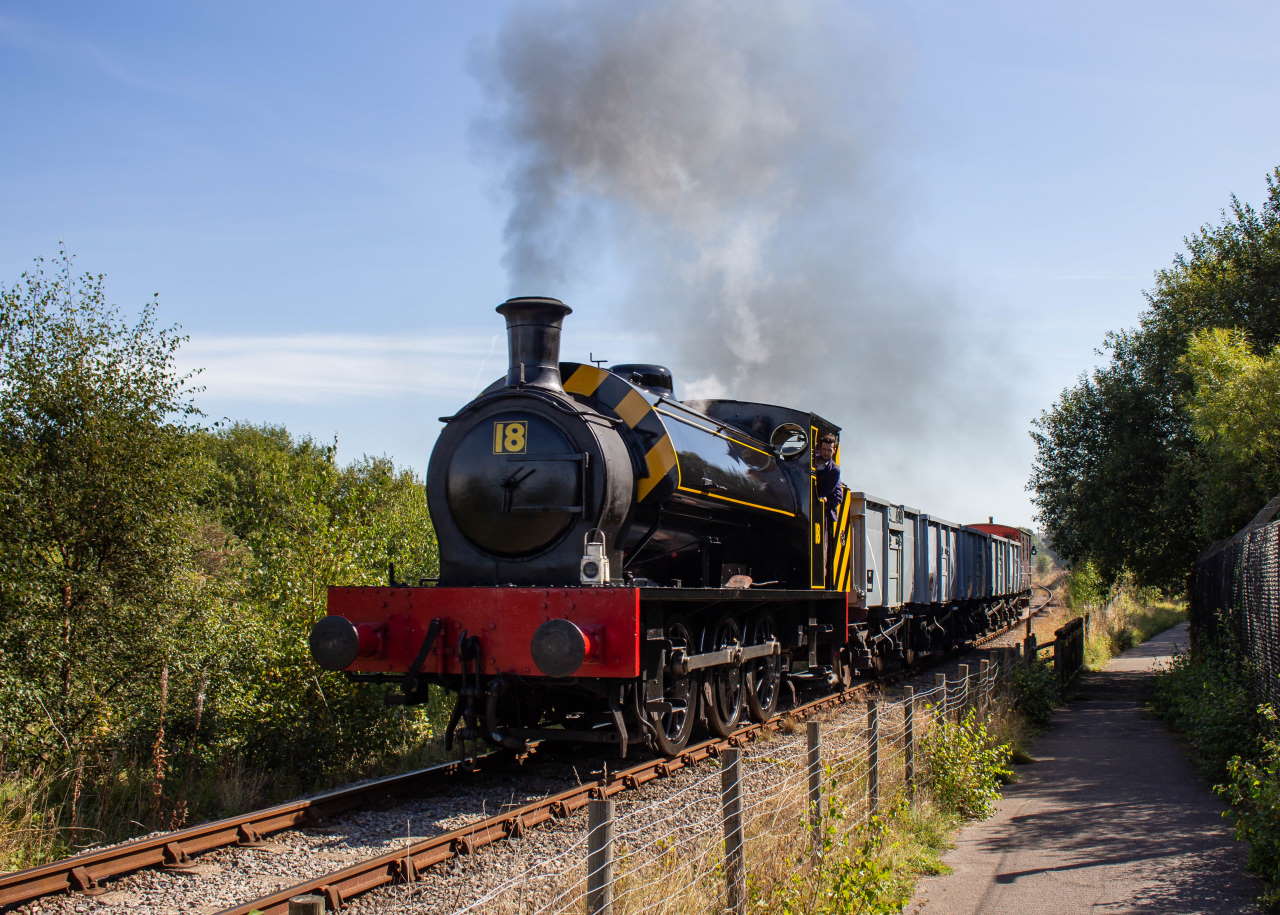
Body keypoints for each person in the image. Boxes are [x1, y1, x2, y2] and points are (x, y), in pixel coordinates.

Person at [815, 433, 842, 527]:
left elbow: (824, 491)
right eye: (824, 449)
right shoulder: (812, 461)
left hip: (826, 510)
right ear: (820, 449)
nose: (826, 453)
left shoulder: (834, 470)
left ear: (834, 450)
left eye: (829, 450)